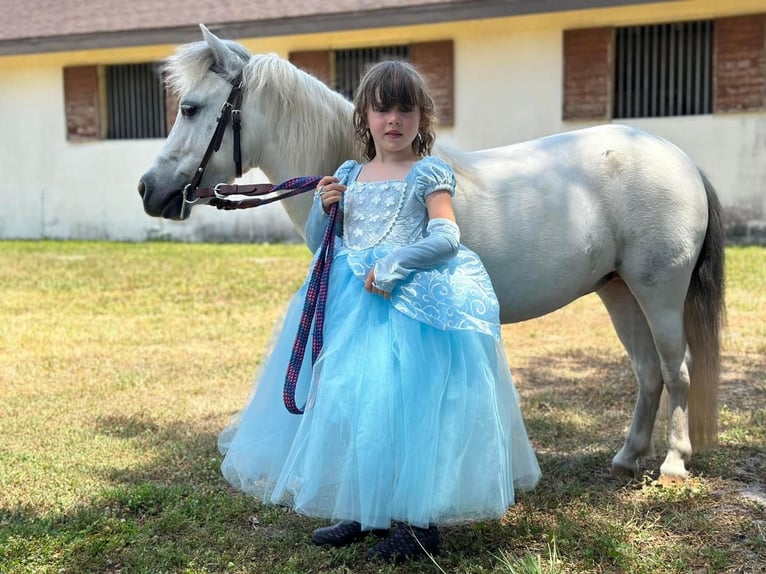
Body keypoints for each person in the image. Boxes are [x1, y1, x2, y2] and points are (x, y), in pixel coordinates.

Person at [218, 60, 541, 563]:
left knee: (407, 406)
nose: (394, 119)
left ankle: (417, 522)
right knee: (353, 401)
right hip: (352, 305)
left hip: (409, 307)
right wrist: (326, 211)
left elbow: (446, 235)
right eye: (382, 108)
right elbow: (324, 243)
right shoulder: (349, 174)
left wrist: (396, 263)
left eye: (405, 109)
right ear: (364, 117)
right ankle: (362, 505)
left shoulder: (429, 172)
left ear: (422, 117)